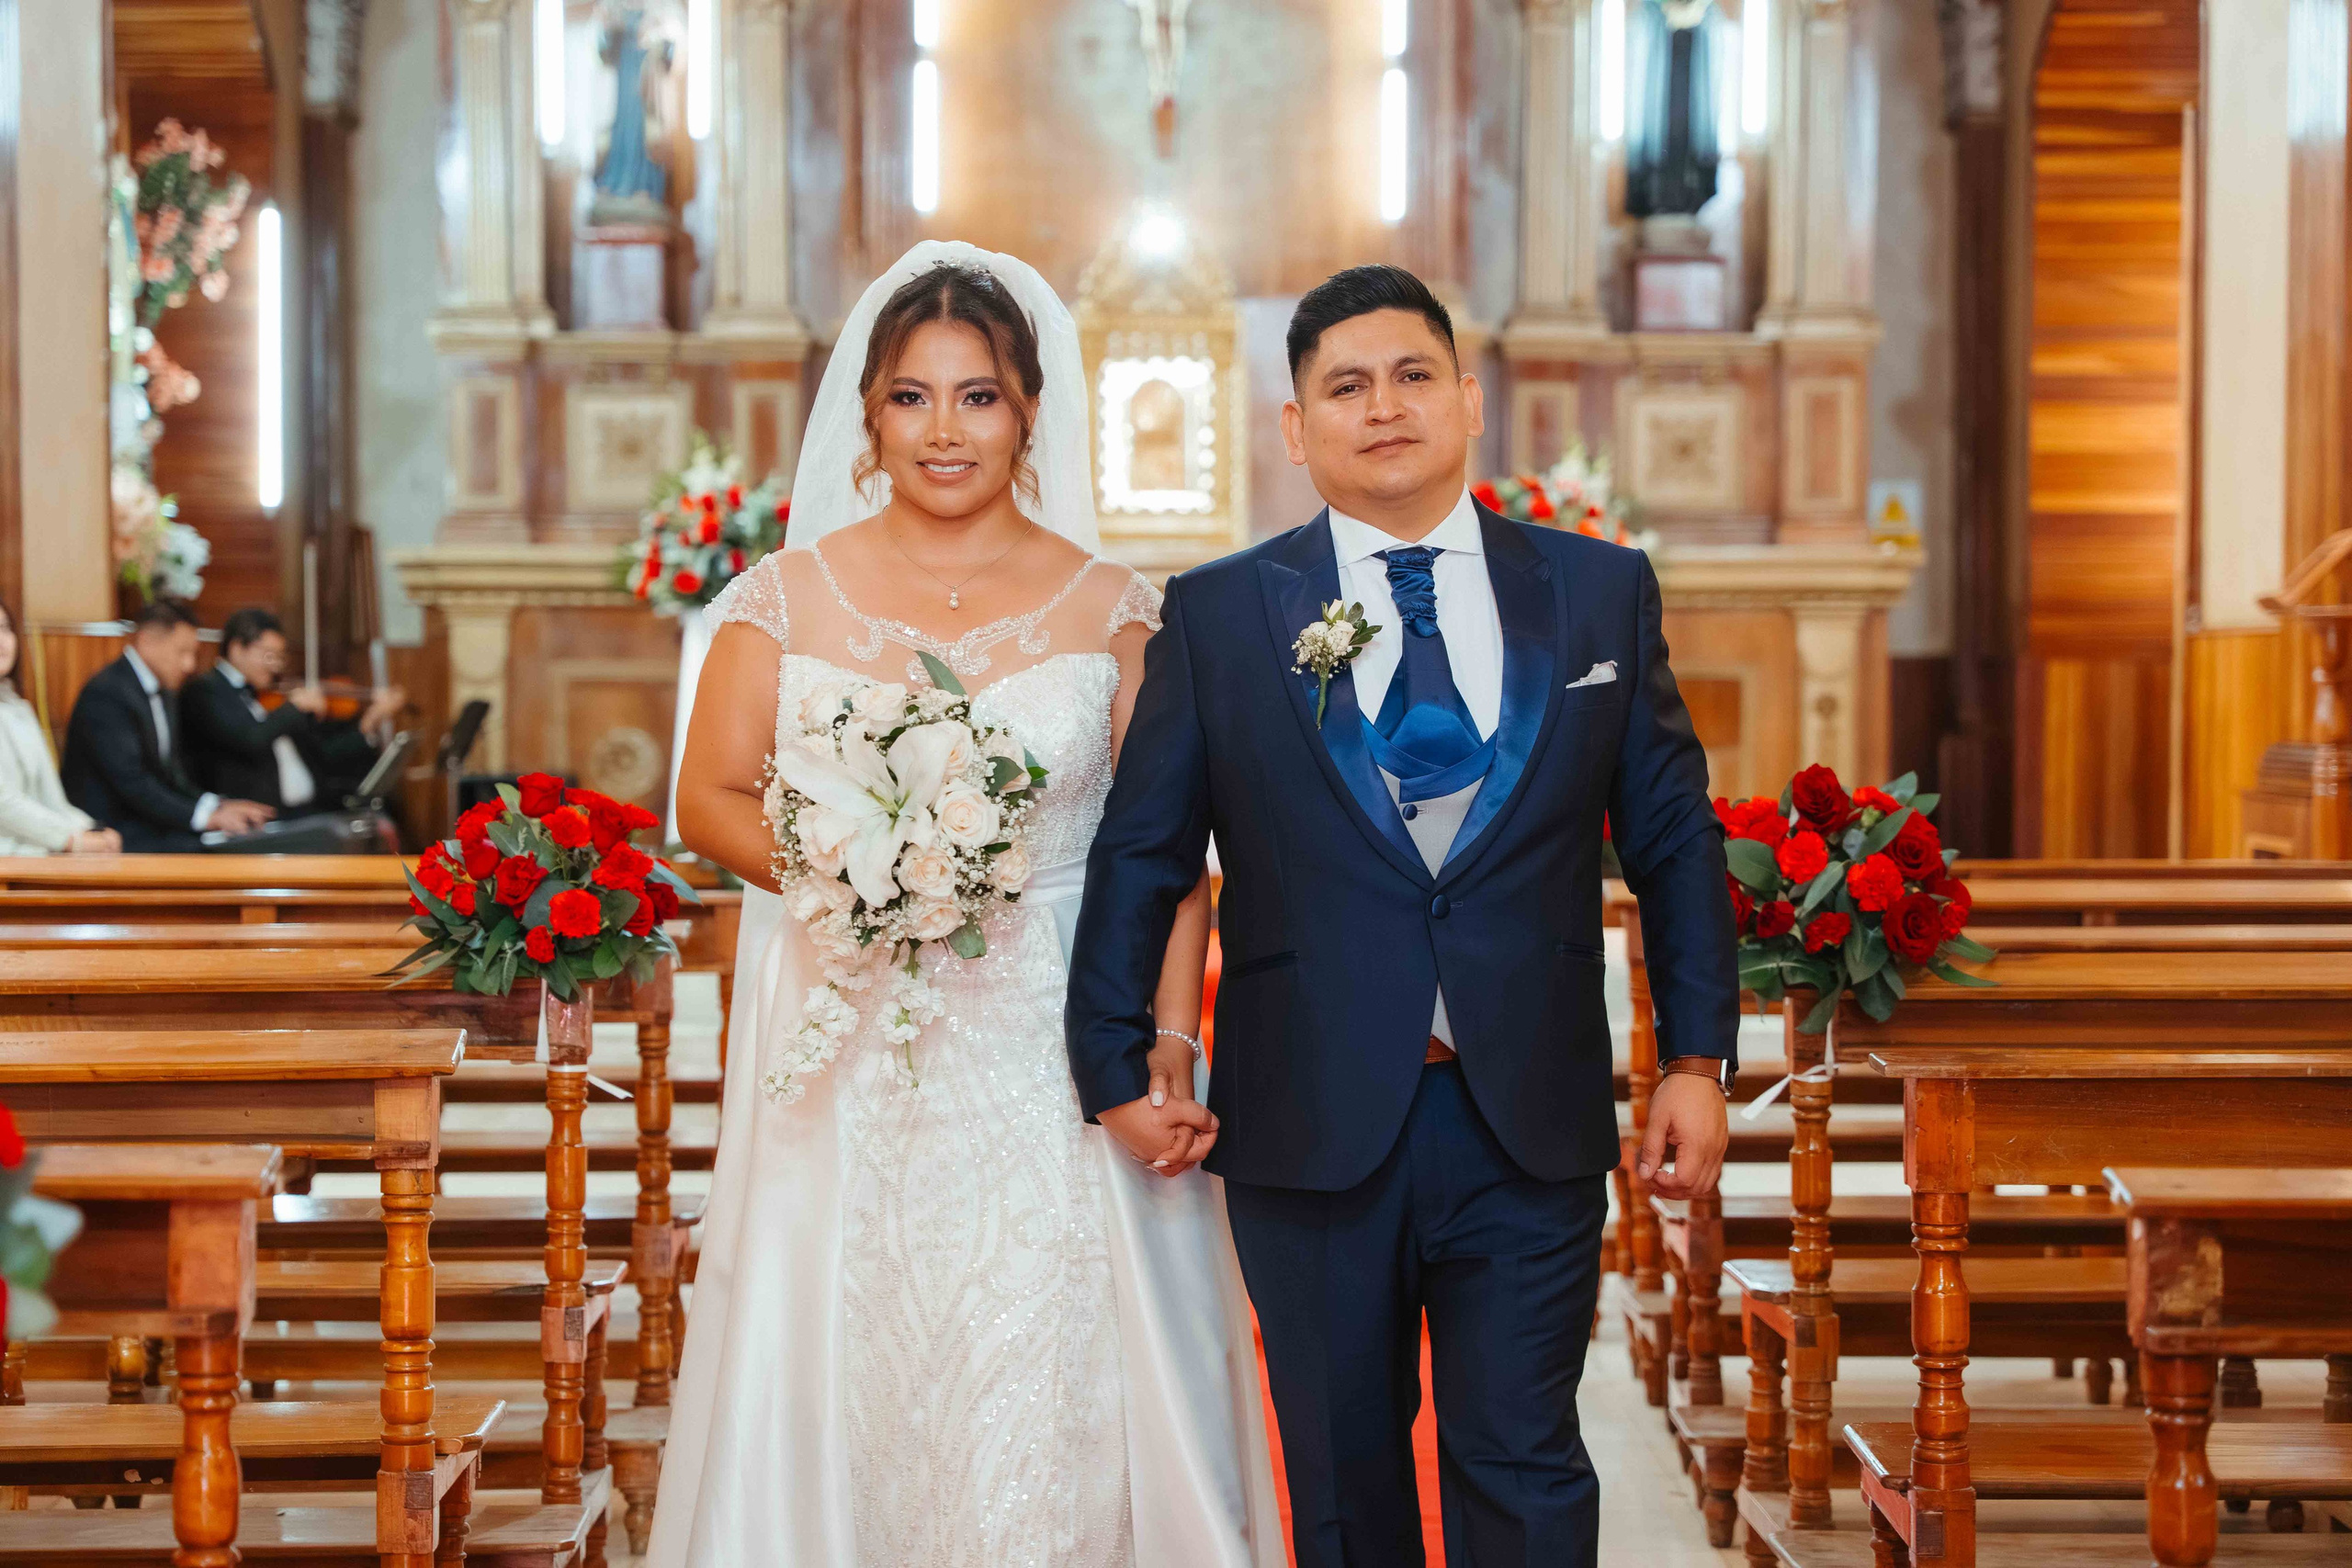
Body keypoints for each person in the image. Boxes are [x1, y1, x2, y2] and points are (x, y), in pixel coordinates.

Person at [1065, 265, 1739, 1567]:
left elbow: (1671, 835)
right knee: (1339, 1477)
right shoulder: (1220, 614)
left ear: (1470, 401)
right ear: (1295, 427)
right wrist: (1111, 1057)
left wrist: (1698, 1058)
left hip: (1524, 1112)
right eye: (1346, 386)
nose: (1386, 407)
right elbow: (1146, 847)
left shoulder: (1596, 594)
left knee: (1527, 1460)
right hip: (1309, 1117)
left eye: (1414, 375)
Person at [650, 242, 1284, 1567]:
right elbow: (708, 797)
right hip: (844, 1012)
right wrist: (859, 867)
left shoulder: (1117, 611)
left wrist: (1167, 1039)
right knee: (850, 1322)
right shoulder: (778, 599)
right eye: (914, 398)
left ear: (1032, 410)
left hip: (1056, 1020)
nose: (946, 430)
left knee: (1041, 1332)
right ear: (870, 414)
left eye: (979, 396)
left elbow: (1166, 852)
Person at [60, 599, 274, 852]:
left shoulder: (165, 692)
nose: (189, 665)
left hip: (150, 823)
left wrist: (217, 806)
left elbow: (171, 776)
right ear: (147, 641)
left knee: (243, 843)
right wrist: (208, 818)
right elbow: (133, 783)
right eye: (182, 652)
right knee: (212, 854)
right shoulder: (108, 692)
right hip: (111, 831)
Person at [181, 606, 404, 817]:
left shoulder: (259, 697)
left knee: (382, 811)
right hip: (260, 820)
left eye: (280, 658)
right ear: (238, 648)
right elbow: (250, 738)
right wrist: (294, 707)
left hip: (306, 808)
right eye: (269, 655)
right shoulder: (205, 690)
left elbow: (322, 753)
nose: (276, 666)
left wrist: (370, 720)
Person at [0, 596, 120, 856]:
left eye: (5, 628)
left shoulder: (18, 709)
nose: (2, 641)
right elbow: (4, 803)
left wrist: (90, 828)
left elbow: (51, 798)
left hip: (37, 847)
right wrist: (71, 840)